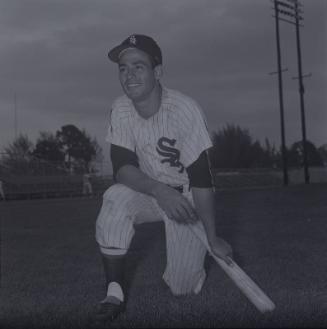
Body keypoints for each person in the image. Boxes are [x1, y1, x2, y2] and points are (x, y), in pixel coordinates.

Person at [94, 34, 233, 324]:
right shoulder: (120, 108)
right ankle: (114, 293)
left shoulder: (184, 109)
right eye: (122, 68)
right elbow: (121, 168)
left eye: (138, 66)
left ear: (157, 72)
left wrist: (212, 236)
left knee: (181, 289)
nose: (129, 75)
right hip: (148, 190)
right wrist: (159, 191)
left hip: (186, 199)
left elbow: (202, 179)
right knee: (115, 198)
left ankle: (192, 268)